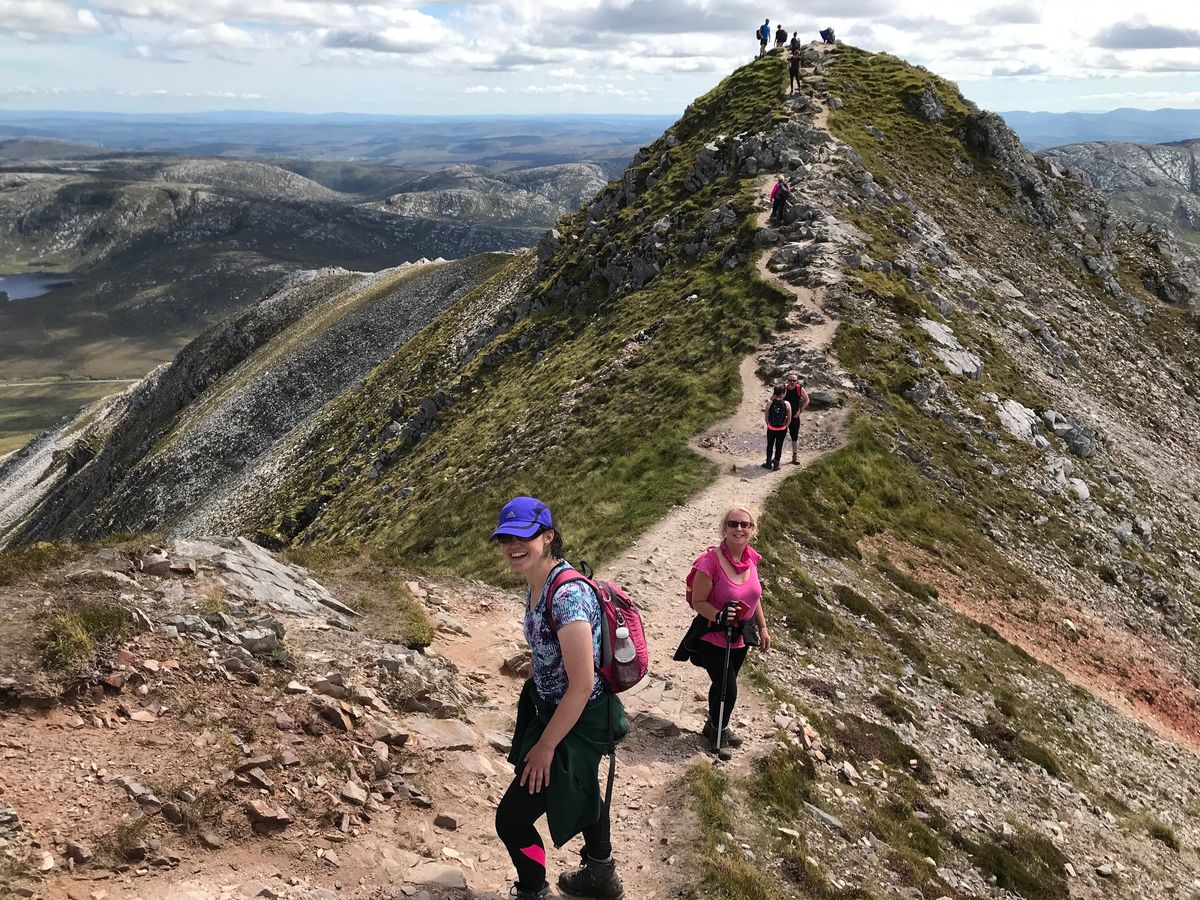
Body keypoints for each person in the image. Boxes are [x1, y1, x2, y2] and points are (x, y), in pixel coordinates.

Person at [492, 496, 628, 900]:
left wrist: (546, 746)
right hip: (563, 710)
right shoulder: (539, 583)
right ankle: (601, 875)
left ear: (548, 536)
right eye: (505, 537)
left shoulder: (566, 595)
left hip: (578, 717)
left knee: (511, 821)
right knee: (582, 785)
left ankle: (534, 890)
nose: (513, 545)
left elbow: (582, 684)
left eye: (524, 536)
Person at [684, 506, 771, 752]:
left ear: (753, 530)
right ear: (725, 528)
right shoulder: (709, 563)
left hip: (741, 635)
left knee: (721, 684)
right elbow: (698, 602)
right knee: (728, 688)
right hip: (712, 635)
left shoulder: (751, 558)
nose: (739, 529)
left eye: (745, 524)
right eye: (733, 524)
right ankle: (719, 732)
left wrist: (763, 627)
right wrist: (720, 615)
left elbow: (755, 596)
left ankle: (712, 726)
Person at [762, 384, 791, 470]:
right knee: (779, 446)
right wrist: (786, 426)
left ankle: (768, 463)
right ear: (783, 393)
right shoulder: (787, 403)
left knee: (770, 445)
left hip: (771, 428)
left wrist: (769, 425)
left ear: (774, 392)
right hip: (782, 429)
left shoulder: (770, 403)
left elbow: (766, 417)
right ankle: (776, 464)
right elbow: (789, 418)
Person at [782, 371, 809, 463]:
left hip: (794, 416)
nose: (792, 382)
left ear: (797, 381)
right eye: (790, 380)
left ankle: (795, 456)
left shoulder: (799, 388)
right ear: (787, 380)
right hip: (783, 416)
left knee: (794, 437)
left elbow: (806, 399)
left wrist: (800, 411)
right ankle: (778, 457)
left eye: (794, 380)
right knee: (780, 436)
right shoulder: (783, 388)